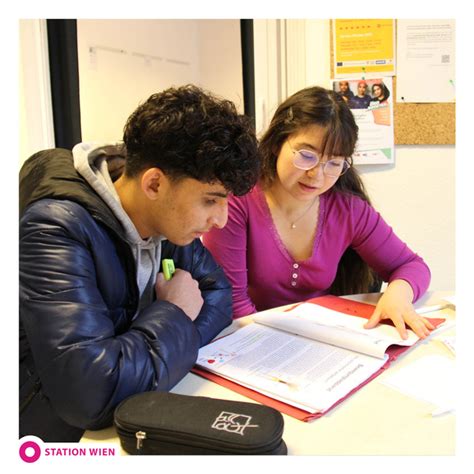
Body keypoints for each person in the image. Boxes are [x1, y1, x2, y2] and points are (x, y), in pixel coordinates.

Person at [19, 85, 260, 442]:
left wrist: (142, 355)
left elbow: (218, 295)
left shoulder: (168, 223)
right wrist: (175, 313)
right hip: (55, 436)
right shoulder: (57, 228)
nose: (221, 220)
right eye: (211, 201)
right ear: (154, 184)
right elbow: (91, 394)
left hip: (135, 415)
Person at [203, 86, 433, 343]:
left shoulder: (349, 211)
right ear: (278, 143)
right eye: (306, 156)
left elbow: (412, 266)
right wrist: (275, 346)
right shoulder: (237, 202)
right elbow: (232, 302)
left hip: (320, 339)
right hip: (250, 339)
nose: (317, 175)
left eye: (334, 163)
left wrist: (399, 294)